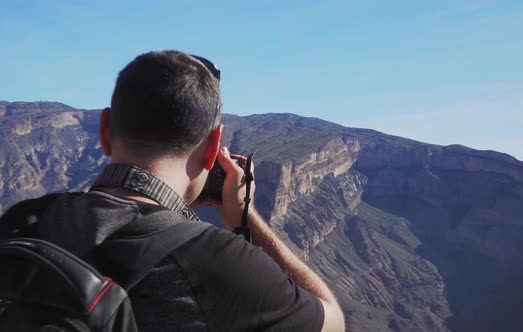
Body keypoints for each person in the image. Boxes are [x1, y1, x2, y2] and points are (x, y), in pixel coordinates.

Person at [1, 50, 345, 331]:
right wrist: (244, 217)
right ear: (213, 147)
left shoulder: (21, 221)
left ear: (104, 130)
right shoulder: (219, 262)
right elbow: (332, 321)